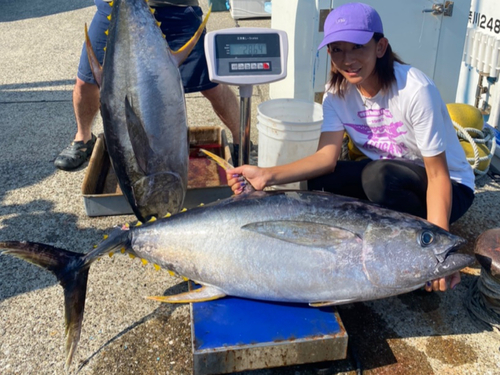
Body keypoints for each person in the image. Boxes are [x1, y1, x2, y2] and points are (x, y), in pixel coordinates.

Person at [227, 3, 475, 293]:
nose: (348, 60)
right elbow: (326, 159)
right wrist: (266, 175)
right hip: (391, 178)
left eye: (358, 47)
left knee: (378, 177)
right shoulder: (337, 94)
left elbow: (438, 177)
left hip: (449, 189)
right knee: (322, 182)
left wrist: (437, 250)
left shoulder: (414, 90)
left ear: (380, 47)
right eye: (337, 49)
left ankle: (411, 255)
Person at [54, 0, 240, 171]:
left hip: (175, 9)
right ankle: (83, 138)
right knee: (87, 81)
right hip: (114, 8)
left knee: (209, 83)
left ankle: (241, 139)